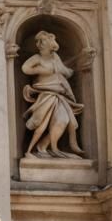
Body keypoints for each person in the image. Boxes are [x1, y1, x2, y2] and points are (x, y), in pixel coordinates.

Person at [22, 29, 84, 158]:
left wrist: (80, 58)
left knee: (63, 120)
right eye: (37, 41)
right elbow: (25, 68)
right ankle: (31, 150)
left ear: (50, 43)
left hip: (59, 95)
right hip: (46, 95)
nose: (39, 44)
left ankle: (44, 145)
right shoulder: (37, 58)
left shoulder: (56, 58)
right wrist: (41, 70)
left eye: (42, 41)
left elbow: (66, 72)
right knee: (42, 124)